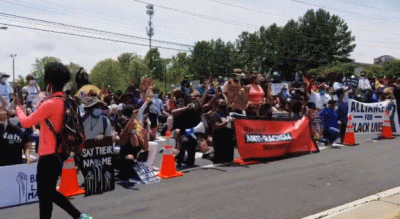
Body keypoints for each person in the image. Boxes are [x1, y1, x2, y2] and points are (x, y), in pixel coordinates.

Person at [15, 62, 91, 219]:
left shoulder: (49, 104)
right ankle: (79, 216)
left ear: (49, 83)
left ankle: (79, 216)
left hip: (47, 155)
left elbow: (26, 122)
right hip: (60, 153)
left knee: (46, 193)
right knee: (47, 193)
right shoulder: (68, 102)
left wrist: (18, 108)